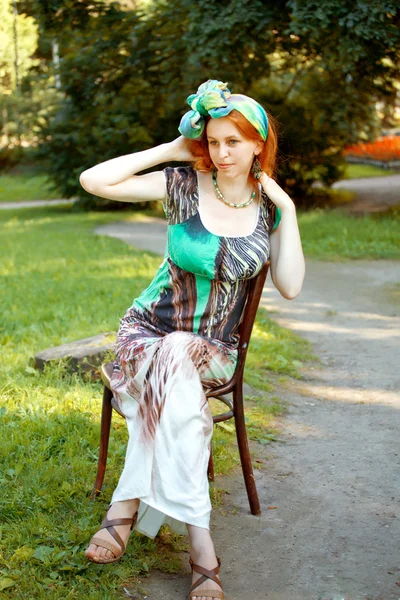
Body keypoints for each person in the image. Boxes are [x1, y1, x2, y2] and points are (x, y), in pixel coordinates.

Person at [79, 79, 305, 600]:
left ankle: (124, 512)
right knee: (173, 363)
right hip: (146, 334)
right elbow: (95, 180)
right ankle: (202, 547)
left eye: (234, 142)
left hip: (214, 353)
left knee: (179, 362)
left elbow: (290, 286)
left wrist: (289, 210)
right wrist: (170, 150)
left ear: (257, 146)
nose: (222, 153)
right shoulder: (182, 183)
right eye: (214, 140)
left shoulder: (269, 209)